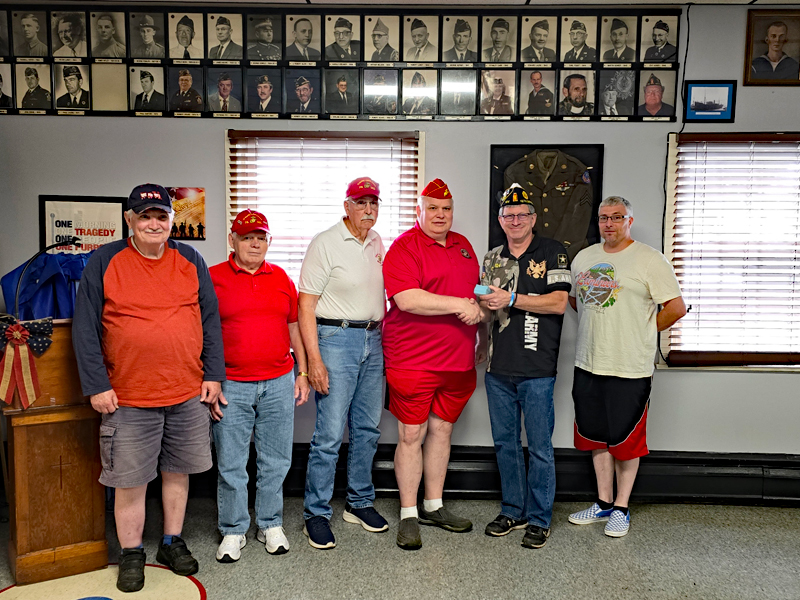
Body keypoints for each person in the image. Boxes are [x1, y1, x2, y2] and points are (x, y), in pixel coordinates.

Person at [72, 183, 226, 593]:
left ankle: (172, 542)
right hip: (127, 396)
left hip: (186, 392)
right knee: (131, 479)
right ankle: (132, 552)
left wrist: (213, 375)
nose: (154, 223)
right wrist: (96, 385)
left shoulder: (190, 258)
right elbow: (85, 329)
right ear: (129, 221)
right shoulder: (104, 261)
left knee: (178, 473)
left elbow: (210, 320)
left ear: (172, 220)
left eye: (161, 216)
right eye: (145, 216)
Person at [568, 196, 686, 538]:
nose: (609, 224)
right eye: (604, 218)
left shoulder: (650, 260)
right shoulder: (584, 258)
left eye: (617, 217)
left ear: (629, 221)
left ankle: (622, 507)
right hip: (588, 363)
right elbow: (578, 301)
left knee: (626, 440)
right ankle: (603, 503)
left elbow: (675, 307)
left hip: (630, 368)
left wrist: (643, 330)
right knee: (595, 438)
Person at [382, 178, 483, 551]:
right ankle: (409, 514)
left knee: (442, 431)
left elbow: (477, 298)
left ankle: (433, 506)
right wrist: (458, 304)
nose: (441, 216)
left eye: (447, 209)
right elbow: (406, 299)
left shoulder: (464, 246)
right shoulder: (404, 247)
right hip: (414, 361)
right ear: (419, 211)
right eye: (433, 209)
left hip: (458, 362)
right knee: (411, 434)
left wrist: (484, 335)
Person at [210, 209, 310, 563]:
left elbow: (295, 327)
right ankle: (234, 529)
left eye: (261, 237)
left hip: (279, 380)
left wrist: (302, 372)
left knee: (276, 459)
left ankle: (269, 523)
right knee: (232, 462)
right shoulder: (212, 278)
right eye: (247, 236)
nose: (254, 243)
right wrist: (207, 380)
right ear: (232, 241)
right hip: (231, 385)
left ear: (269, 241)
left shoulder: (281, 277)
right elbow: (200, 334)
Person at [478, 184, 571, 549]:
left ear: (533, 218)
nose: (515, 220)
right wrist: (478, 342)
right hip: (498, 366)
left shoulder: (552, 252)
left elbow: (560, 303)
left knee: (539, 446)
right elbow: (487, 307)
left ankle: (539, 518)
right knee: (505, 443)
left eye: (522, 215)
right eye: (508, 215)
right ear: (501, 220)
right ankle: (512, 510)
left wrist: (513, 298)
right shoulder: (492, 258)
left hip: (536, 366)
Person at [298, 177, 389, 550]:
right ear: (347, 206)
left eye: (374, 203)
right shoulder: (325, 243)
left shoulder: (377, 242)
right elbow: (305, 307)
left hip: (374, 338)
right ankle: (316, 514)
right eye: (361, 202)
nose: (369, 209)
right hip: (336, 340)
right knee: (330, 434)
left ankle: (359, 501)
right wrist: (314, 362)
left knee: (367, 429)